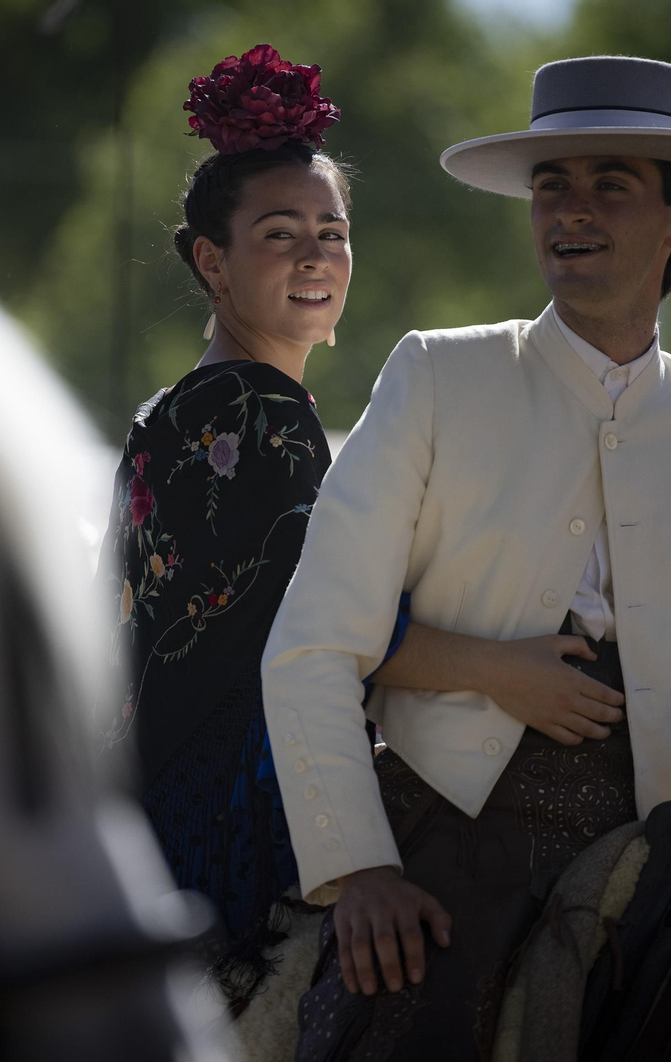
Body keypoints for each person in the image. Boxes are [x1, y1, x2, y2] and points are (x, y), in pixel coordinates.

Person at [261, 56, 671, 1058]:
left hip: (645, 848)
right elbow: (313, 643)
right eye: (551, 185)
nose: (571, 209)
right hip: (441, 837)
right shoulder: (437, 373)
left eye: (609, 183)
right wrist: (360, 874)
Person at [97, 45, 601, 1015]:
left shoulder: (172, 408)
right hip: (242, 815)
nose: (316, 255)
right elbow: (324, 628)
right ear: (211, 260)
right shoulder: (259, 415)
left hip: (147, 804)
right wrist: (508, 670)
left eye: (332, 230)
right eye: (279, 234)